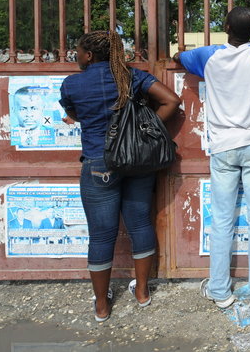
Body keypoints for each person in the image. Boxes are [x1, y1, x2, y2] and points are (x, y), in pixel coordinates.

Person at [174, 7, 250, 312]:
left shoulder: (208, 55)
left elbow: (178, 58)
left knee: (223, 219)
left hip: (223, 146)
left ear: (226, 27)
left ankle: (219, 290)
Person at [59, 30, 181, 322]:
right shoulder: (132, 76)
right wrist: (145, 130)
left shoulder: (72, 83)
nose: (76, 56)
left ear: (89, 55)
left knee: (102, 234)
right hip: (137, 160)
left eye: (78, 51)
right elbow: (172, 101)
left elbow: (74, 113)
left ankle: (101, 305)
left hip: (99, 162)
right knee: (139, 223)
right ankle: (142, 292)